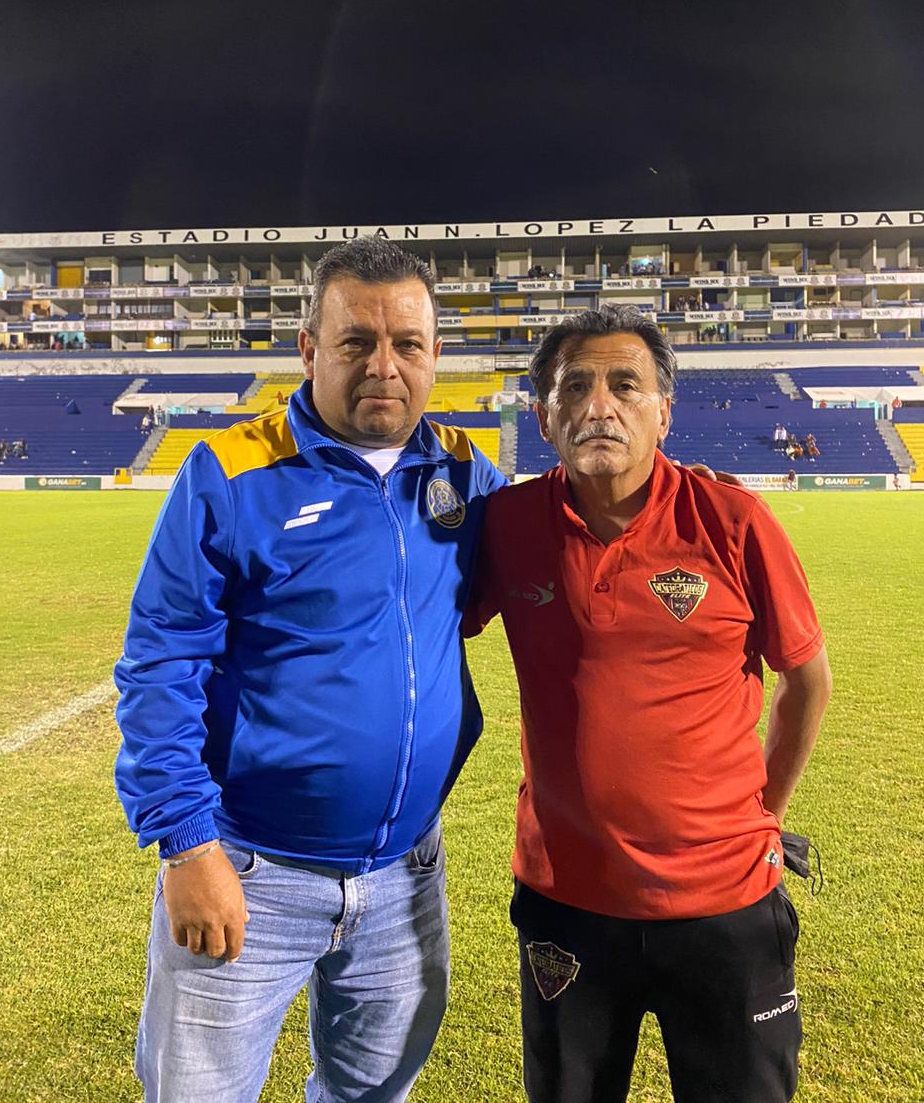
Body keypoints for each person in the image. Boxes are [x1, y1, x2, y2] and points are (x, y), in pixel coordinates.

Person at [114, 238, 506, 1103]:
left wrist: (679, 493)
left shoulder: (464, 473)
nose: (384, 365)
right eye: (356, 341)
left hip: (405, 878)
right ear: (308, 349)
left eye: (407, 343)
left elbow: (570, 543)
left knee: (372, 1094)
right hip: (248, 870)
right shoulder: (230, 473)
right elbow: (160, 663)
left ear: (435, 354)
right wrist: (187, 845)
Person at [465, 305, 831, 1103]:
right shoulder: (508, 525)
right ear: (543, 417)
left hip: (726, 902)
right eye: (575, 387)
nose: (599, 406)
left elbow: (807, 679)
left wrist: (763, 811)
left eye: (625, 386)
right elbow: (422, 628)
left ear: (664, 412)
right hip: (566, 902)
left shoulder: (733, 521)